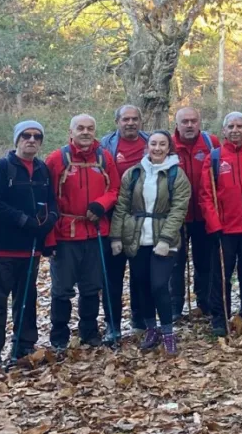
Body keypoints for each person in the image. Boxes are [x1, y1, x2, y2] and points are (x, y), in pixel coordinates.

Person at [0, 121, 58, 370]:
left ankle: (24, 345)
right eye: (26, 136)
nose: (31, 140)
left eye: (36, 136)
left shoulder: (43, 170)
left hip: (29, 248)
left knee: (26, 298)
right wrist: (23, 220)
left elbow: (51, 203)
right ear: (17, 140)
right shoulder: (3, 167)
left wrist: (49, 221)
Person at [44, 114, 120, 350]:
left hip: (96, 232)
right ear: (71, 131)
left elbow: (115, 188)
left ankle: (89, 332)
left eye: (90, 128)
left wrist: (103, 204)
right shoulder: (57, 159)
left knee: (92, 286)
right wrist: (50, 238)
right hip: (66, 233)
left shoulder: (104, 157)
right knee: (62, 289)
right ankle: (59, 337)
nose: (85, 132)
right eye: (80, 128)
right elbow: (47, 199)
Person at [111, 131, 190, 354]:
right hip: (136, 238)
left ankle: (168, 332)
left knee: (158, 285)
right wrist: (116, 237)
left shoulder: (177, 175)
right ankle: (151, 328)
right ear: (147, 147)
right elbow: (122, 206)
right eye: (153, 144)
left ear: (169, 148)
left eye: (162, 144)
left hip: (164, 238)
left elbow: (178, 210)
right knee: (142, 285)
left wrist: (166, 239)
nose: (157, 148)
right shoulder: (133, 173)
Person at [201, 113, 242, 332]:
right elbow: (206, 195)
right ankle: (220, 317)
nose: (235, 130)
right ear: (224, 130)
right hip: (225, 229)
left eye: (239, 126)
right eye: (231, 126)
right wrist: (214, 225)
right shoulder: (214, 157)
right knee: (221, 275)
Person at [99, 105, 149, 340]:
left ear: (141, 121)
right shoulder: (104, 146)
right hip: (113, 219)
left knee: (141, 274)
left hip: (144, 220)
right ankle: (113, 325)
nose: (130, 123)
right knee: (112, 276)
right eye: (125, 119)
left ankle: (140, 320)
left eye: (135, 119)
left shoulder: (152, 143)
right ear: (117, 121)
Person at [170, 107, 219, 320]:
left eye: (193, 121)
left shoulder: (211, 143)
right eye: (185, 122)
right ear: (177, 125)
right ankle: (174, 308)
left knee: (205, 261)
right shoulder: (168, 146)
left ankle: (205, 303)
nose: (189, 125)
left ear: (199, 122)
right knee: (175, 263)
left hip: (204, 214)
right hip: (176, 217)